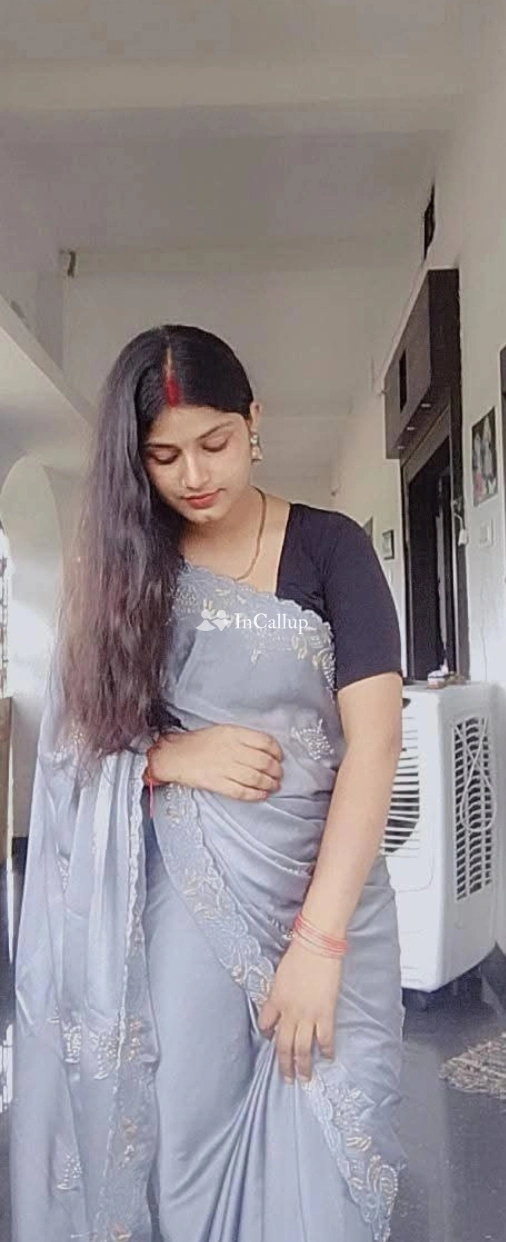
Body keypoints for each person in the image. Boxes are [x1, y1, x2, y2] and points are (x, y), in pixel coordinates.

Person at [11, 324, 407, 1242]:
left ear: (254, 421)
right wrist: (169, 757)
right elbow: (75, 746)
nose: (193, 475)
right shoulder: (125, 573)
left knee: (338, 1151)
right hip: (189, 906)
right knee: (188, 1144)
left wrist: (319, 945)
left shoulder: (332, 549)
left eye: (215, 443)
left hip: (332, 898)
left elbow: (376, 746)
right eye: (163, 456)